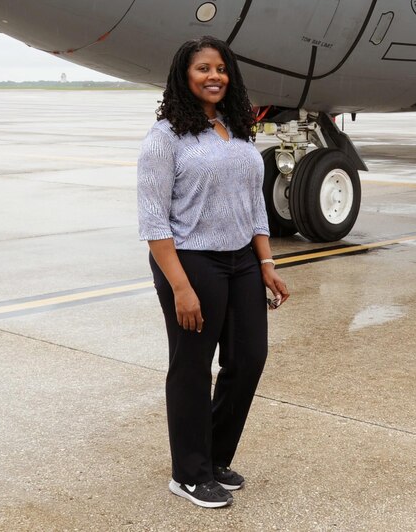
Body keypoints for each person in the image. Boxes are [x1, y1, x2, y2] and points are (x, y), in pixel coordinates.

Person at [137, 36, 289, 509]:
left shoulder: (235, 128)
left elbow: (254, 203)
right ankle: (188, 474)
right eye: (203, 68)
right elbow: (153, 220)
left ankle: (214, 457)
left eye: (220, 68)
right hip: (191, 261)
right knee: (192, 366)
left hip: (242, 261)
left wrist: (266, 263)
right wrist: (181, 287)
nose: (214, 76)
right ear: (184, 76)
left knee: (249, 358)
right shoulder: (165, 138)